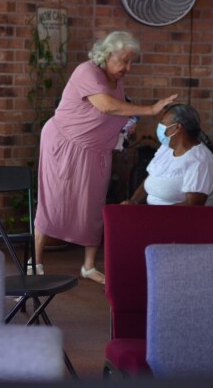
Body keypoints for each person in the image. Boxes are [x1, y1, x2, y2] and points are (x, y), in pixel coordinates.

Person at [34, 31, 177, 284]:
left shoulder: (116, 80)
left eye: (131, 61)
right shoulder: (86, 72)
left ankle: (88, 266)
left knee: (94, 203)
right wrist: (151, 109)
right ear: (107, 55)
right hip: (65, 144)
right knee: (54, 198)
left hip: (95, 151)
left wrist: (126, 125)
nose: (128, 67)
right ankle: (35, 261)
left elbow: (113, 112)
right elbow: (106, 106)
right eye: (124, 60)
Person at [123, 103, 213, 206]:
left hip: (176, 220)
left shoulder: (200, 161)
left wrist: (153, 215)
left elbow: (192, 206)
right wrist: (133, 202)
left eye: (163, 123)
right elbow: (151, 178)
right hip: (151, 214)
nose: (160, 127)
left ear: (178, 127)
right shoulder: (166, 149)